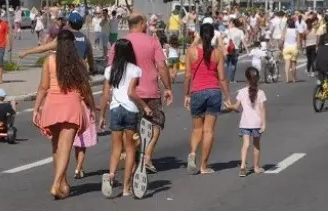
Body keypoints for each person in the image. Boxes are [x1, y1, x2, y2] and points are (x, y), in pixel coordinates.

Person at [33, 30, 97, 200]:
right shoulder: (78, 62)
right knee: (66, 147)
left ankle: (62, 183)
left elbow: (42, 87)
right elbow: (85, 89)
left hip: (52, 105)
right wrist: (92, 106)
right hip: (71, 106)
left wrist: (36, 108)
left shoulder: (49, 61)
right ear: (73, 43)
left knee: (56, 146)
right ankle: (57, 182)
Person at [108, 13, 173, 173]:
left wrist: (112, 89)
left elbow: (111, 68)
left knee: (131, 127)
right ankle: (147, 155)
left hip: (127, 94)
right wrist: (168, 88)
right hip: (150, 91)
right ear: (142, 23)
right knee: (156, 123)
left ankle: (129, 153)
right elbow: (162, 66)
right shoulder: (152, 41)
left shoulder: (118, 44)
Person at [98, 39, 151, 198]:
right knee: (129, 149)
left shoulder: (110, 70)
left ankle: (111, 175)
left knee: (115, 149)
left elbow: (106, 95)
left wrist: (101, 115)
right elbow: (131, 92)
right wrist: (145, 106)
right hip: (130, 110)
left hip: (115, 110)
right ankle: (127, 187)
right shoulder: (135, 70)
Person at [183, 22, 231, 175]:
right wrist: (228, 96)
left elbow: (188, 75)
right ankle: (204, 165)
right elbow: (222, 78)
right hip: (214, 92)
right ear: (212, 36)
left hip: (197, 92)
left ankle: (192, 153)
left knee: (197, 128)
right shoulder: (217, 53)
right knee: (208, 131)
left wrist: (186, 94)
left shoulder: (191, 51)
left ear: (199, 34)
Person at [225, 66, 266, 177]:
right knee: (256, 145)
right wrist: (263, 123)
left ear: (246, 78)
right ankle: (256, 167)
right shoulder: (261, 93)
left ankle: (243, 165)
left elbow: (236, 107)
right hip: (256, 123)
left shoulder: (242, 92)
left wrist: (229, 106)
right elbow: (262, 110)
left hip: (245, 123)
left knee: (245, 144)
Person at [282, 18, 300, 83]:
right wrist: (298, 48)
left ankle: (287, 78)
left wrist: (280, 46)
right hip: (294, 48)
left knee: (287, 64)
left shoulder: (285, 30)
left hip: (286, 47)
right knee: (293, 64)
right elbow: (298, 42)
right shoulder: (296, 31)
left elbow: (282, 39)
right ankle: (294, 78)